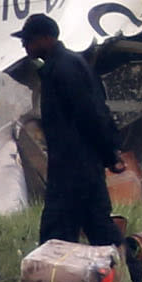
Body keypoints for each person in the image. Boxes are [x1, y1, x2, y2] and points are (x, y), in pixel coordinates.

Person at [12, 13, 126, 246]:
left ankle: (49, 281)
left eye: (29, 40)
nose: (25, 45)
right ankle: (130, 280)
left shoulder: (65, 69)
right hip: (73, 171)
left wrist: (109, 155)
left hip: (75, 173)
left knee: (59, 238)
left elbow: (92, 115)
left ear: (46, 39)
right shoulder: (59, 67)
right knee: (97, 234)